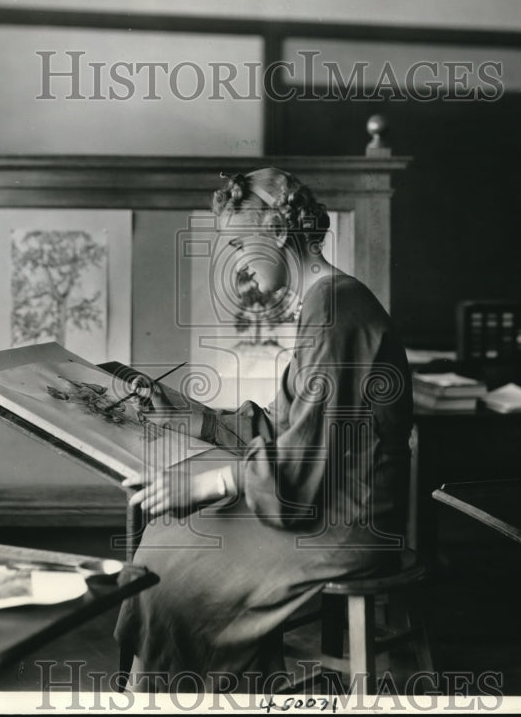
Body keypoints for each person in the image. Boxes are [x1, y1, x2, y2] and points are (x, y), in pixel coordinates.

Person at [114, 167, 413, 693]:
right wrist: (183, 412)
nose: (236, 268)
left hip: (346, 522)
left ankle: (166, 699)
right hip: (324, 500)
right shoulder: (326, 304)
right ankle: (188, 695)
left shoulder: (334, 307)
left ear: (277, 232)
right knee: (169, 540)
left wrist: (211, 483)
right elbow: (281, 427)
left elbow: (299, 457)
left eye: (237, 245)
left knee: (175, 564)